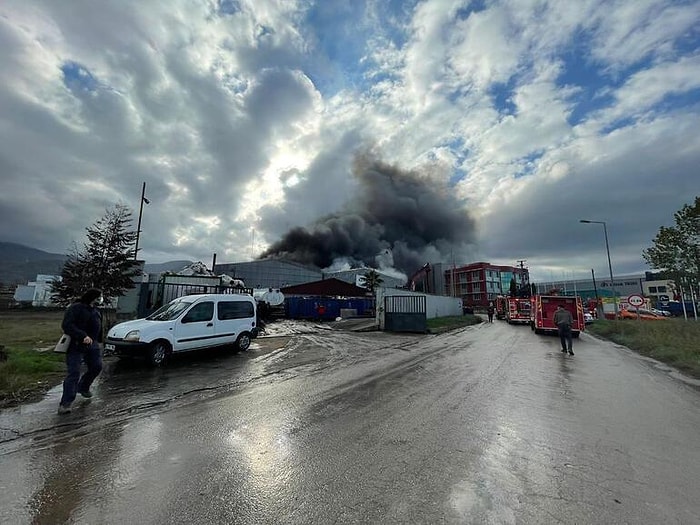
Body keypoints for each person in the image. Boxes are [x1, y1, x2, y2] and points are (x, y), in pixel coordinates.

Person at [58, 288, 104, 414]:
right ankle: (65, 403)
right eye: (99, 296)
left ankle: (83, 387)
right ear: (92, 297)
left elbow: (99, 326)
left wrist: (99, 341)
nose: (101, 299)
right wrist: (82, 335)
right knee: (74, 373)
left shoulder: (96, 310)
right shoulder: (76, 308)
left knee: (97, 367)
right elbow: (67, 325)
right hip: (76, 345)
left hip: (93, 345)